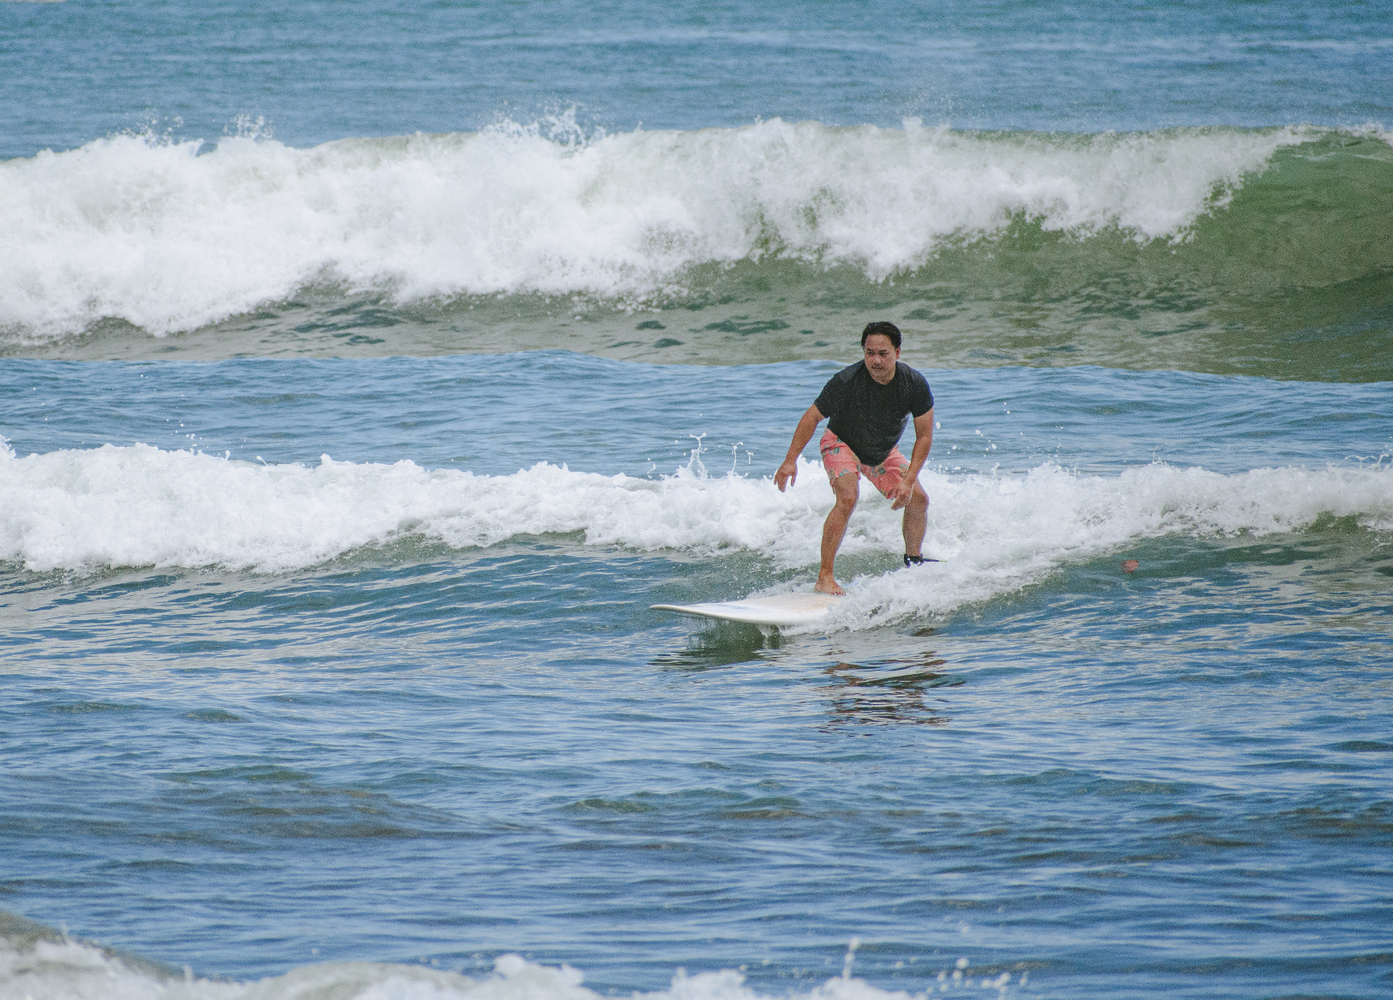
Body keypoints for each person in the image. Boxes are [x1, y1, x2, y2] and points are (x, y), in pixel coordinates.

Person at [774, 321, 934, 595]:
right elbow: (812, 417)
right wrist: (791, 460)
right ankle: (825, 577)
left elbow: (924, 437)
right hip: (841, 443)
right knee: (848, 497)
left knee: (918, 498)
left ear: (897, 351)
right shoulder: (846, 381)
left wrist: (908, 481)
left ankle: (913, 560)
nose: (875, 360)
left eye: (883, 353)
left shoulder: (914, 384)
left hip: (881, 451)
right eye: (869, 353)